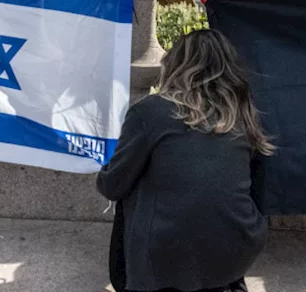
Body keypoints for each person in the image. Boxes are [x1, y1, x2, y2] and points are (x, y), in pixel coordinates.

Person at [97, 29, 272, 292]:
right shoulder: (243, 115)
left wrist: (104, 171)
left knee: (135, 187)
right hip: (239, 244)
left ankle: (136, 283)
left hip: (166, 252)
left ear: (175, 66)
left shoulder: (151, 111)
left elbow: (113, 186)